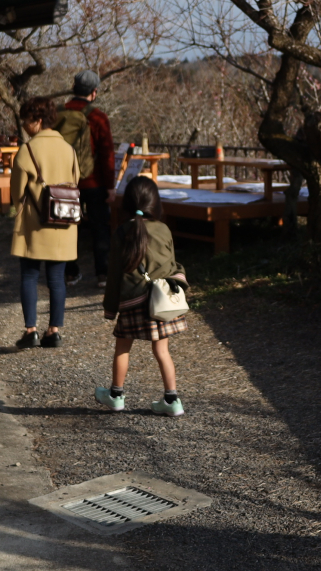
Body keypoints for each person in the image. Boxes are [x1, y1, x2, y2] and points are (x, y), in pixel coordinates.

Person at [94, 175, 190, 416]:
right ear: (156, 203)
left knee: (122, 349)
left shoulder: (122, 232)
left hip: (133, 303)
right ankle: (172, 400)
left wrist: (110, 308)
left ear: (126, 203)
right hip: (162, 302)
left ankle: (116, 396)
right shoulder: (164, 229)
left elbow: (114, 273)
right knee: (162, 351)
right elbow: (171, 264)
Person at [10, 96, 79, 348]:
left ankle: (31, 330)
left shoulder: (27, 150)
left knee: (29, 275)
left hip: (34, 222)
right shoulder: (69, 149)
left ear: (38, 121)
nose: (25, 125)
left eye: (27, 120)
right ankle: (54, 330)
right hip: (63, 221)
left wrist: (22, 208)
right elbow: (75, 181)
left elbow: (17, 192)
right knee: (57, 278)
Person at [55, 70, 115, 288]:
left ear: (74, 89)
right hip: (94, 181)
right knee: (100, 228)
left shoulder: (57, 113)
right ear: (94, 92)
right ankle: (103, 275)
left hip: (64, 181)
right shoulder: (98, 117)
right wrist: (110, 186)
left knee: (68, 227)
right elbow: (107, 153)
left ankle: (71, 274)